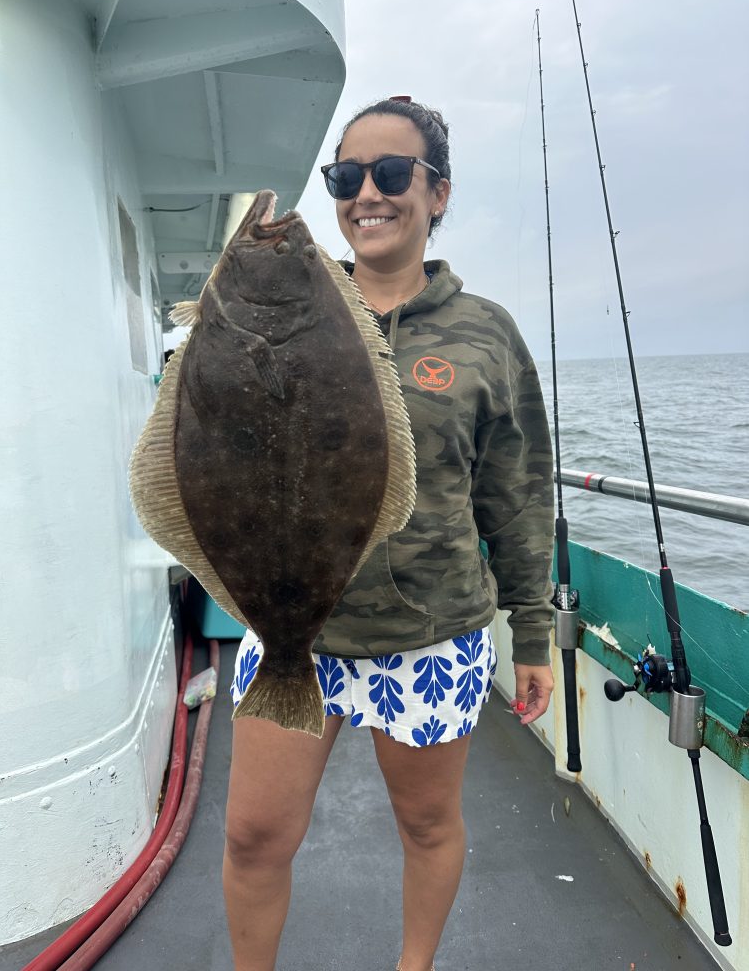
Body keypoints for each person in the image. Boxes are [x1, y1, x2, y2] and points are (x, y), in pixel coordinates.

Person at [222, 97, 555, 971]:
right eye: (346, 176)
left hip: (429, 633)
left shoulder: (486, 334)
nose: (367, 193)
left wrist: (533, 634)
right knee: (255, 836)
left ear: (437, 192)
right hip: (294, 624)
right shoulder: (284, 309)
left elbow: (515, 495)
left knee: (428, 824)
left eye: (392, 173)